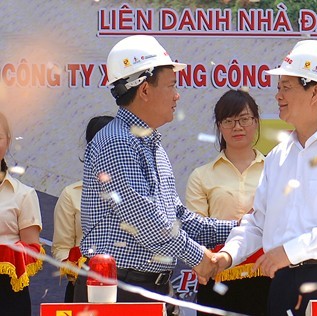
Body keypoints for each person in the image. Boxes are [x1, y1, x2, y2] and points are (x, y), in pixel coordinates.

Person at [212, 40, 317, 315]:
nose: (278, 96)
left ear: (315, 92)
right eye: (279, 88)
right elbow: (258, 222)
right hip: (285, 283)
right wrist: (227, 255)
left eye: (286, 87)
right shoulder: (278, 157)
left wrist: (292, 250)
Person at [73, 35, 236, 315]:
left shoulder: (150, 144)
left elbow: (178, 218)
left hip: (149, 289)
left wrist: (242, 227)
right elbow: (146, 221)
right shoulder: (118, 142)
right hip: (117, 290)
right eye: (172, 85)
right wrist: (199, 257)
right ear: (145, 90)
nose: (177, 95)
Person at [186, 89, 271, 315]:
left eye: (244, 119)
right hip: (218, 276)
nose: (237, 127)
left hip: (267, 275)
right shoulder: (202, 175)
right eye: (229, 120)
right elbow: (196, 231)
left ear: (256, 121)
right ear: (219, 126)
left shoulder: (275, 170)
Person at [52, 115, 113, 302]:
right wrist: (76, 268)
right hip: (83, 288)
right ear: (90, 149)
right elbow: (61, 248)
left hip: (128, 286)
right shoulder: (71, 194)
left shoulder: (137, 193)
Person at [0, 112, 43, 316]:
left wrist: (7, 253)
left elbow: (33, 250)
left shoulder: (24, 194)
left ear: (8, 140)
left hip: (8, 291)